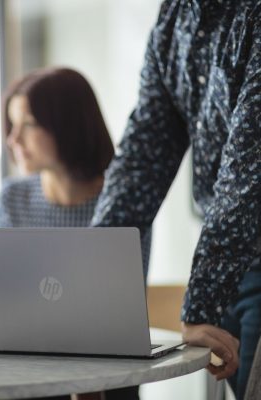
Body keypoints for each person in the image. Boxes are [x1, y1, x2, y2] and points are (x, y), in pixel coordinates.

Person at [0, 67, 151, 400]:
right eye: (12, 126)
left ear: (68, 126)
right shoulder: (13, 197)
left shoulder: (125, 203)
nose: (13, 140)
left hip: (106, 369)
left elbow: (117, 309)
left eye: (27, 125)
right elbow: (11, 298)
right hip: (25, 367)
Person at [90, 2, 261, 398]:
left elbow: (247, 176)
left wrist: (200, 308)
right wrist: (92, 289)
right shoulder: (175, 17)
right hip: (229, 266)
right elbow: (142, 159)